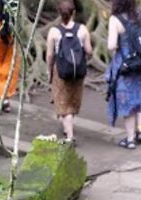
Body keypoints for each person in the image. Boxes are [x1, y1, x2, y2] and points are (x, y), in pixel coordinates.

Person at [106, 0, 141, 149]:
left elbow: (111, 45)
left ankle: (130, 139)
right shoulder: (140, 14)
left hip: (125, 65)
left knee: (127, 103)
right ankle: (139, 129)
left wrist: (122, 44)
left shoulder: (115, 19)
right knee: (136, 95)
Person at [46, 0, 92, 144]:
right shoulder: (83, 29)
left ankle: (70, 136)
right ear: (74, 13)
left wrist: (49, 70)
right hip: (78, 72)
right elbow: (89, 50)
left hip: (61, 71)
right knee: (72, 101)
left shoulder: (53, 32)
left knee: (62, 103)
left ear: (59, 14)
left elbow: (49, 54)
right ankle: (68, 128)